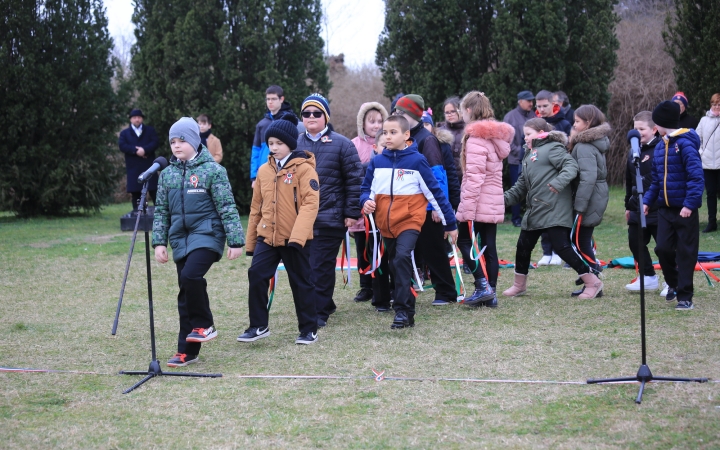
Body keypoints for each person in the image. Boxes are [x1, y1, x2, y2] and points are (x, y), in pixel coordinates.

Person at [152, 117, 245, 367]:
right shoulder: (167, 175)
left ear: (194, 140)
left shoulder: (213, 171)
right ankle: (187, 351)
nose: (176, 145)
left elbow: (227, 206)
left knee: (191, 276)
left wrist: (235, 241)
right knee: (185, 292)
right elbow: (161, 210)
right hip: (180, 239)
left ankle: (205, 324)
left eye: (182, 140)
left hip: (207, 235)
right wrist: (159, 242)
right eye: (172, 141)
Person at [360, 116, 458, 329]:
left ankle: (403, 313)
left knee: (403, 257)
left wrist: (450, 224)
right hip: (385, 225)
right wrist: (366, 201)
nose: (387, 136)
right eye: (385, 132)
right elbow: (366, 189)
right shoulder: (377, 162)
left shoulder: (417, 161)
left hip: (410, 222)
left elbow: (435, 193)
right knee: (396, 264)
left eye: (393, 132)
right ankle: (407, 305)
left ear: (406, 135)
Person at [237, 114, 320, 345]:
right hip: (268, 237)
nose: (274, 148)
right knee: (256, 274)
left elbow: (310, 204)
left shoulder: (304, 170)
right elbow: (256, 207)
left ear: (291, 144)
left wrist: (297, 237)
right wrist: (252, 241)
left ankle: (308, 329)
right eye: (270, 143)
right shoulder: (264, 170)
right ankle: (258, 325)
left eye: (279, 143)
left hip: (295, 239)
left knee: (301, 282)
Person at [503, 118, 604, 299]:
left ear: (541, 132)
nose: (525, 138)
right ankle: (519, 285)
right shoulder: (528, 154)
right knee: (523, 246)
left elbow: (571, 166)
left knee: (562, 247)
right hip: (536, 210)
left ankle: (593, 282)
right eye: (524, 134)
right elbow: (520, 186)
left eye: (528, 134)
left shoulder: (553, 148)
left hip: (555, 208)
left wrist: (558, 182)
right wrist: (500, 201)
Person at [297, 93, 363, 327]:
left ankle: (319, 312)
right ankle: (326, 302)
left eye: (317, 113)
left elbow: (355, 180)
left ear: (325, 116)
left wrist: (350, 212)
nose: (311, 117)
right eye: (306, 113)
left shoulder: (343, 144)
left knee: (321, 265)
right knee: (306, 266)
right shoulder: (294, 144)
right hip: (301, 220)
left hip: (330, 217)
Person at [394, 94, 459, 306]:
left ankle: (446, 292)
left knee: (433, 250)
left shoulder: (426, 139)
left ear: (413, 114)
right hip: (408, 205)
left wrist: (435, 207)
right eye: (395, 112)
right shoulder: (402, 138)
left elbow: (437, 176)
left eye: (401, 113)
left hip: (427, 206)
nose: (397, 116)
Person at [643, 101, 704, 310]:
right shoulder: (661, 146)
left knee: (686, 253)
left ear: (661, 124)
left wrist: (689, 204)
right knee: (662, 248)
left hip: (685, 210)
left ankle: (685, 296)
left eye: (656, 124)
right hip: (665, 210)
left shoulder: (685, 144)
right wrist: (647, 201)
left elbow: (696, 177)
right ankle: (674, 283)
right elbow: (657, 181)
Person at [454, 91, 513, 307]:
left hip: (479, 201)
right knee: (489, 244)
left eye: (462, 111)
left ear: (469, 110)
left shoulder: (476, 139)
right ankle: (491, 293)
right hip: (493, 200)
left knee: (463, 239)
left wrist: (465, 209)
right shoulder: (494, 138)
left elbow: (474, 178)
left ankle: (483, 286)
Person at [567, 105, 610, 296]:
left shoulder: (584, 146)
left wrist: (579, 206)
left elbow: (588, 178)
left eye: (577, 121)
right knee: (582, 241)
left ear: (588, 123)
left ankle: (594, 279)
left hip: (589, 199)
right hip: (595, 196)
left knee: (580, 242)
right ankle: (591, 279)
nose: (574, 124)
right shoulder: (592, 144)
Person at [349, 102, 388, 303]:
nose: (376, 125)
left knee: (379, 248)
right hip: (360, 206)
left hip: (382, 208)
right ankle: (365, 285)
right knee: (362, 248)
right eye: (371, 121)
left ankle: (379, 283)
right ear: (362, 122)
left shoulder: (389, 143)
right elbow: (351, 176)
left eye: (380, 121)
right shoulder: (353, 145)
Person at [624, 111, 662, 292]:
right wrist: (627, 206)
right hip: (637, 207)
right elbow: (629, 181)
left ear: (654, 130)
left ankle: (672, 281)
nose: (638, 132)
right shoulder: (633, 152)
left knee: (663, 247)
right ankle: (648, 276)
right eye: (635, 128)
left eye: (642, 129)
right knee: (635, 241)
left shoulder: (661, 149)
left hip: (657, 207)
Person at [534, 90, 571, 265]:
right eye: (538, 106)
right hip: (539, 177)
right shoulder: (534, 125)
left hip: (557, 177)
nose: (541, 109)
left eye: (545, 106)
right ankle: (546, 252)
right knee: (542, 214)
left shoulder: (563, 124)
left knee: (557, 216)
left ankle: (558, 251)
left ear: (553, 105)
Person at [250, 85, 301, 188]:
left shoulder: (290, 122)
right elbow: (256, 151)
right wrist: (254, 176)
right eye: (268, 99)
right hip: (264, 173)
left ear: (281, 99)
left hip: (285, 172)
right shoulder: (262, 124)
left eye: (273, 99)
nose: (270, 102)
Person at [503, 90, 535, 227]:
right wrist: (521, 152)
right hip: (516, 161)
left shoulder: (533, 116)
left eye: (532, 101)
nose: (531, 103)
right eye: (528, 101)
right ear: (520, 101)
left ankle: (532, 216)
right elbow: (506, 140)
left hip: (533, 160)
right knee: (517, 189)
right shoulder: (510, 117)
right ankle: (516, 218)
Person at [118, 109, 159, 214]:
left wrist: (144, 150)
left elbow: (155, 142)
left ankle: (160, 217)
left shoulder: (150, 131)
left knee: (154, 191)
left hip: (149, 166)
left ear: (142, 119)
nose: (137, 119)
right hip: (133, 168)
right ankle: (137, 217)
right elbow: (122, 145)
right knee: (136, 193)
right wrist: (136, 151)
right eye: (134, 117)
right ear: (131, 119)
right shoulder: (125, 133)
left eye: (139, 117)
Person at [696, 93, 720, 233]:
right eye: (714, 104)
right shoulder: (704, 120)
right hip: (707, 164)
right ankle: (712, 222)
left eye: (719, 105)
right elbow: (697, 138)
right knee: (710, 194)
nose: (717, 107)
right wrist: (701, 152)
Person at [437, 96, 466, 184]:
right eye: (447, 112)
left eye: (453, 111)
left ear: (460, 111)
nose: (450, 114)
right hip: (446, 177)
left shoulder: (468, 130)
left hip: (464, 177)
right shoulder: (439, 132)